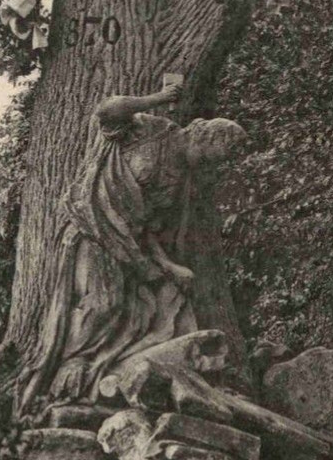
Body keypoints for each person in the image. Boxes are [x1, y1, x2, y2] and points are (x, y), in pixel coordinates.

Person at [16, 81, 247, 415]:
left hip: (131, 246)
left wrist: (168, 266)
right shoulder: (151, 130)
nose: (208, 166)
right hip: (93, 230)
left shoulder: (180, 181)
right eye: (211, 157)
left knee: (171, 302)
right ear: (202, 136)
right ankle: (72, 368)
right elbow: (107, 111)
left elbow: (146, 228)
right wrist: (159, 99)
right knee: (104, 304)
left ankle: (175, 377)